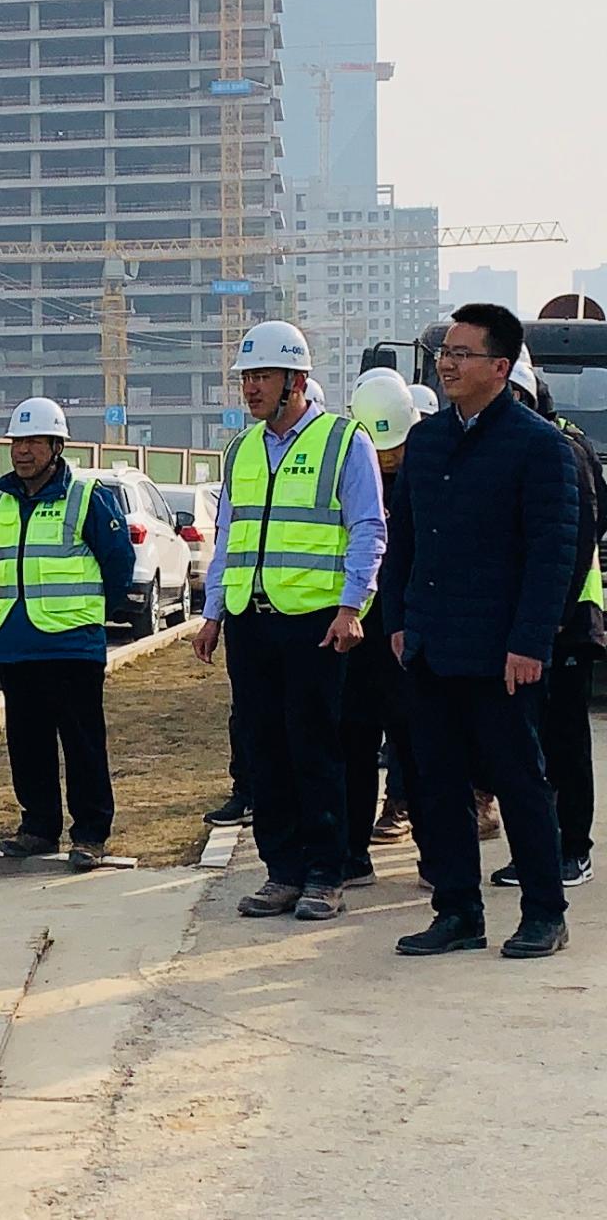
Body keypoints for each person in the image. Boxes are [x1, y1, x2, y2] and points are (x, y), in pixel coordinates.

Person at [382, 304, 577, 959]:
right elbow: (404, 542)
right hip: (431, 646)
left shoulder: (538, 445)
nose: (447, 363)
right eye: (445, 351)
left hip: (501, 654)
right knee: (438, 786)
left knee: (520, 784)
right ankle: (457, 911)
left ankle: (545, 913)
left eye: (462, 353)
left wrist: (531, 642)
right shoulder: (428, 440)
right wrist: (398, 622)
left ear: (500, 367)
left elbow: (552, 555)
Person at [195, 320, 385, 922]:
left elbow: (368, 528)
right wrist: (212, 613)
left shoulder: (344, 441)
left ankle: (326, 873)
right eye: (246, 377)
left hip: (315, 624)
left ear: (296, 380)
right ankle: (282, 872)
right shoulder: (241, 449)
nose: (250, 387)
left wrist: (352, 606)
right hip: (251, 622)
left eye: (262, 376)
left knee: (315, 749)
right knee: (264, 750)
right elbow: (229, 537)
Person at [0, 398, 135, 872]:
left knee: (83, 744)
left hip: (72, 646)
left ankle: (90, 834)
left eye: (33, 442)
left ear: (56, 446)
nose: (22, 451)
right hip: (15, 643)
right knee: (27, 744)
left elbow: (119, 564)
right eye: (16, 442)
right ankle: (38, 827)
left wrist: (89, 615)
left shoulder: (86, 498)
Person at [490, 361, 603, 890]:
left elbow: (578, 538)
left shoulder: (563, 447)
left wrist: (550, 618)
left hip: (568, 621)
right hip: (526, 620)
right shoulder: (507, 446)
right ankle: (538, 850)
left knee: (565, 741)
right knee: (527, 745)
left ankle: (573, 849)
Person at [340, 373, 424, 887]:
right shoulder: (349, 470)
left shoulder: (432, 467)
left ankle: (436, 856)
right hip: (361, 631)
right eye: (382, 448)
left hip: (414, 631)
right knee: (354, 742)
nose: (389, 458)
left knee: (420, 746)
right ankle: (352, 855)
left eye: (396, 447)